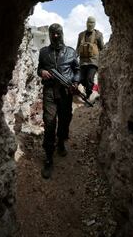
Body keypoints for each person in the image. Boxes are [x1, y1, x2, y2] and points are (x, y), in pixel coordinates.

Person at [37, 23, 80, 179]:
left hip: (65, 92)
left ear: (62, 33)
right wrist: (41, 72)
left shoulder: (71, 52)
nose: (55, 36)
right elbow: (39, 68)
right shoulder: (43, 52)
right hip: (49, 91)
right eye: (52, 33)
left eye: (58, 33)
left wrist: (75, 83)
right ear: (49, 35)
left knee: (65, 118)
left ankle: (61, 141)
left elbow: (77, 70)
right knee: (49, 122)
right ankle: (49, 157)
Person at [76, 16, 104, 99]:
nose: (90, 24)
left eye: (92, 23)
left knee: (89, 79)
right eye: (89, 22)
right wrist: (73, 58)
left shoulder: (98, 35)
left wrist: (102, 61)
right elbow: (77, 48)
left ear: (95, 24)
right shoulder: (81, 35)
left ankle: (88, 96)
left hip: (93, 62)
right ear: (86, 23)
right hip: (82, 62)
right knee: (80, 79)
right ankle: (89, 90)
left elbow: (102, 48)